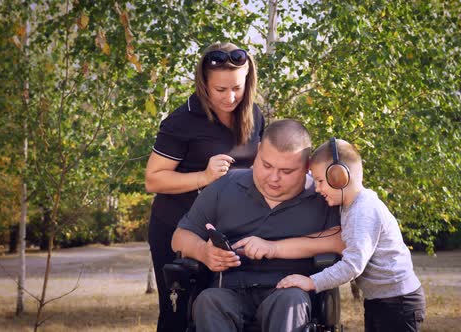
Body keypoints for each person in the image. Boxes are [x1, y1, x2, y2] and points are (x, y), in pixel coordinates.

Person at [171, 120, 342, 332]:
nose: (273, 178)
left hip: (288, 290)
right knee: (208, 300)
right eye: (266, 165)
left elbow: (342, 240)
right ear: (258, 150)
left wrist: (275, 248)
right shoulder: (225, 186)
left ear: (307, 166)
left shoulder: (323, 196)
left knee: (290, 301)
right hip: (228, 290)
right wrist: (203, 252)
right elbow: (180, 236)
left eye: (286, 171)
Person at [145, 42, 265, 332]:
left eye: (237, 87)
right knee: (178, 315)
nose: (231, 97)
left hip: (229, 231)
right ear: (204, 84)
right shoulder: (182, 120)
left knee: (220, 310)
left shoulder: (255, 114)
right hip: (177, 230)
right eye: (220, 90)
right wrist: (204, 176)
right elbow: (153, 179)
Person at [276, 138, 426, 332]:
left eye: (320, 181)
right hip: (381, 300)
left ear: (340, 177)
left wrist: (312, 282)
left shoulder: (362, 211)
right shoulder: (350, 206)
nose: (318, 188)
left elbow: (352, 266)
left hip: (398, 303)